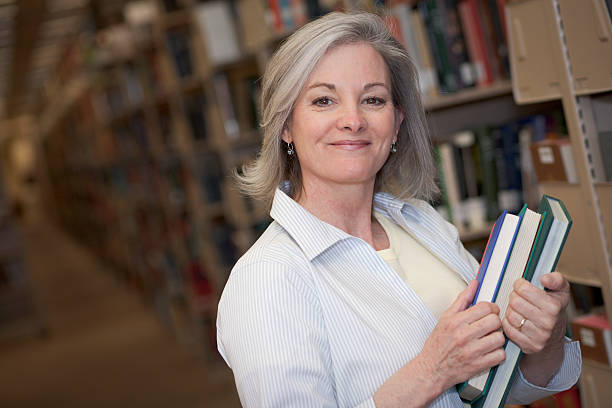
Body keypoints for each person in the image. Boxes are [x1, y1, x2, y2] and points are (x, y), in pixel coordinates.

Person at [217, 11, 581, 408]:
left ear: (396, 122)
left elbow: (497, 388)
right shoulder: (266, 279)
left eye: (373, 99)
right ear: (286, 125)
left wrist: (543, 340)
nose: (353, 120)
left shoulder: (422, 223)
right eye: (324, 100)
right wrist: (431, 372)